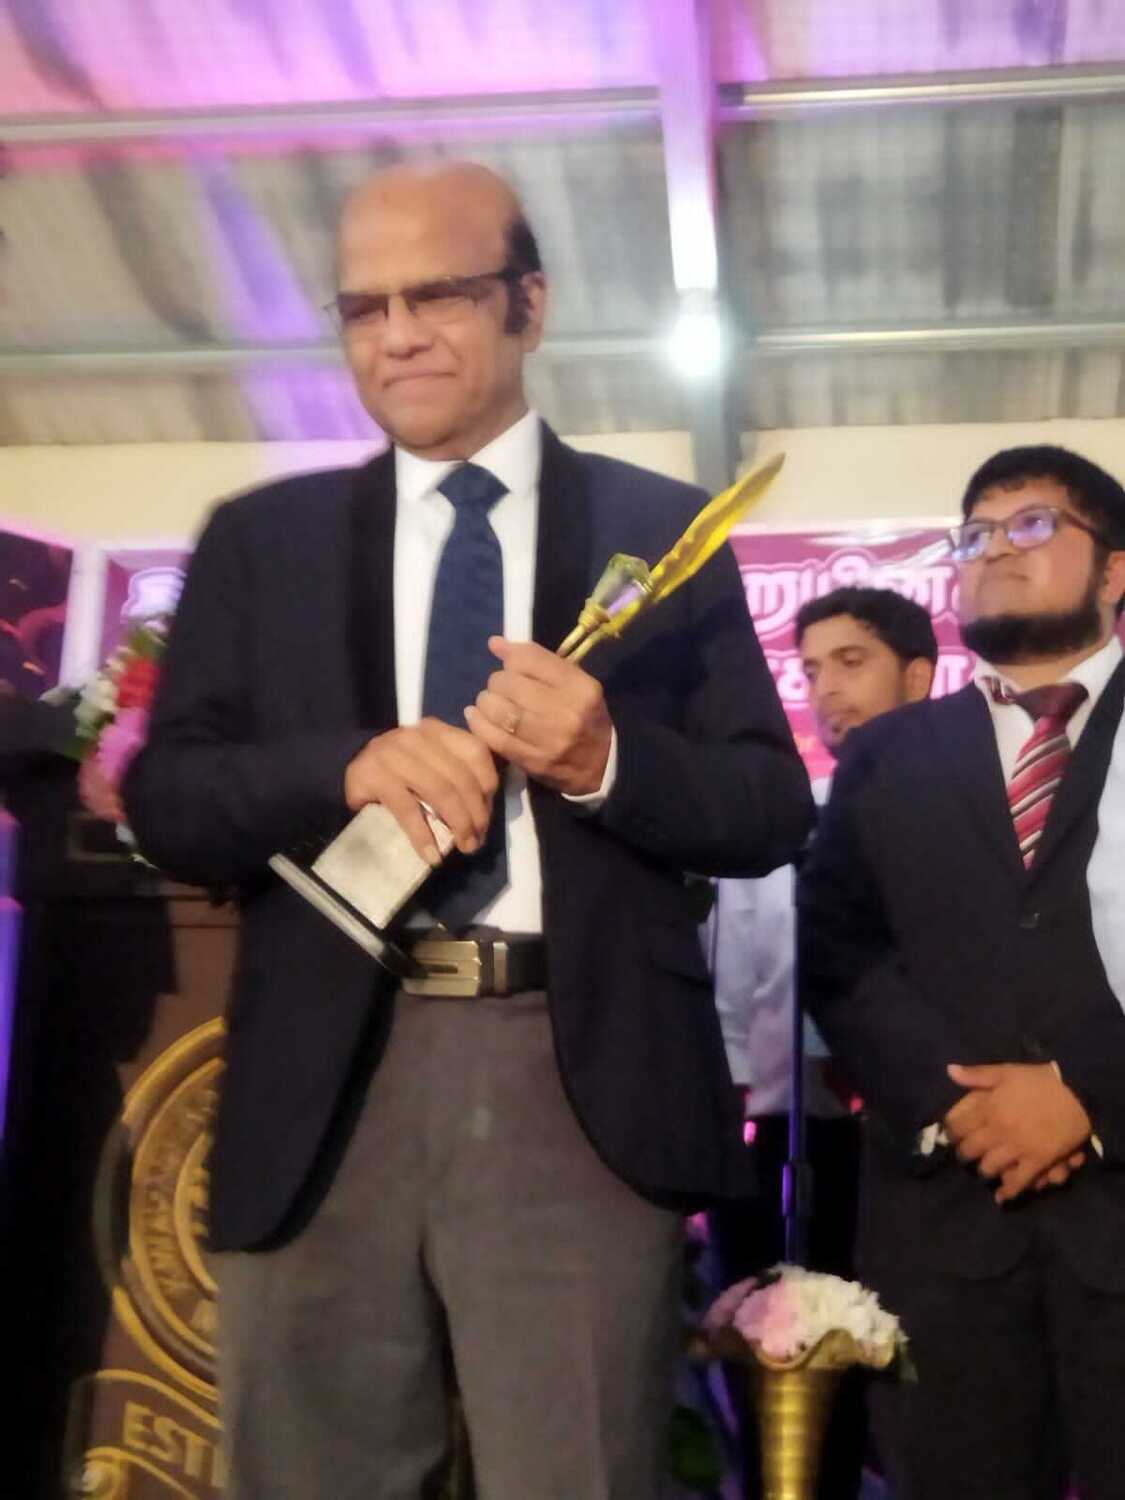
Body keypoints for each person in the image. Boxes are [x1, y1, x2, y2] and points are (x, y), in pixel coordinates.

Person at [123, 161, 813, 1500]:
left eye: (436, 294)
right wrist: (341, 768)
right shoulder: (262, 540)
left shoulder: (658, 528)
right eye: (363, 306)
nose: (397, 335)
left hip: (572, 1071)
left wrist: (607, 761)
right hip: (324, 1075)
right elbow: (169, 801)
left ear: (529, 305)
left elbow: (768, 806)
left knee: (577, 1474)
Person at [798, 445, 1125, 1500]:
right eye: (975, 534)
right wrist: (958, 1105)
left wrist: (1086, 1092)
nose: (994, 551)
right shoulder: (889, 755)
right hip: (947, 1222)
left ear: (1115, 570)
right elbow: (840, 950)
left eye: (1032, 526)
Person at [707, 587, 936, 1500]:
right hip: (792, 1133)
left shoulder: (970, 817)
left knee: (918, 1376)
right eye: (808, 671)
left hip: (926, 1133)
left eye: (851, 663)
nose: (826, 690)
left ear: (918, 676)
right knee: (792, 1368)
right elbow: (740, 984)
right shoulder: (786, 822)